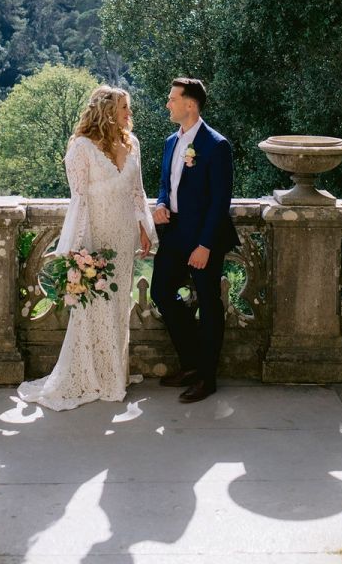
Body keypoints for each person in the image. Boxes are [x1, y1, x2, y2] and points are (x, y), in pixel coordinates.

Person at [17, 86, 156, 410]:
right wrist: (77, 248)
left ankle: (114, 374)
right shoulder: (81, 147)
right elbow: (78, 199)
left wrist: (144, 230)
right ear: (107, 111)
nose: (129, 113)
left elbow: (137, 192)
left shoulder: (132, 143)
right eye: (124, 107)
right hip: (95, 235)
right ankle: (90, 376)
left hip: (123, 235)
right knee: (93, 305)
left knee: (119, 304)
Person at [151, 77, 239, 403]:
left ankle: (207, 378)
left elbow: (220, 202)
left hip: (204, 236)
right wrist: (161, 204)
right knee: (161, 292)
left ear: (190, 104)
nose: (167, 104)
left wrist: (205, 245)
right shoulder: (170, 142)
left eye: (172, 99)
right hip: (175, 232)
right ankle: (191, 364)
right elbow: (165, 184)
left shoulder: (216, 145)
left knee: (209, 304)